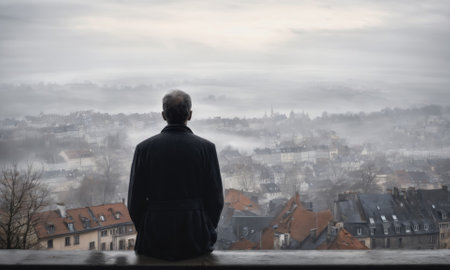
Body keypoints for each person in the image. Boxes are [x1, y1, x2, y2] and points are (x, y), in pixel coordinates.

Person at [127, 90, 224, 261]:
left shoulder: (144, 149)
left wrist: (147, 226)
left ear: (164, 115)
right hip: (195, 234)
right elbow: (215, 200)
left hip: (154, 234)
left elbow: (135, 201)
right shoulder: (206, 149)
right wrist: (205, 227)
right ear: (190, 114)